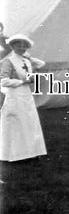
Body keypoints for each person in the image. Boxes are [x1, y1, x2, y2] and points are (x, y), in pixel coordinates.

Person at [0, 33, 47, 161]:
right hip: (14, 95)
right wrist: (22, 82)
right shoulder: (7, 61)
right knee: (16, 123)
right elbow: (3, 81)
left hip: (26, 95)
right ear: (13, 46)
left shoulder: (26, 60)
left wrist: (29, 57)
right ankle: (16, 155)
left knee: (29, 122)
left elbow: (41, 64)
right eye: (18, 45)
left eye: (24, 46)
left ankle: (30, 152)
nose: (21, 48)